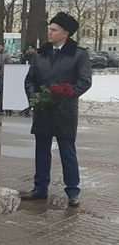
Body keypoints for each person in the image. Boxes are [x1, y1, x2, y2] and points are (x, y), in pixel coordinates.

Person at [22, 13, 92, 207]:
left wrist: (66, 92)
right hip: (43, 110)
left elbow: (84, 81)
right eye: (49, 29)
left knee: (67, 151)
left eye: (54, 30)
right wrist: (34, 97)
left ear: (66, 33)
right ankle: (40, 188)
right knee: (42, 150)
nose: (49, 32)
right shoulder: (41, 53)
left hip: (65, 111)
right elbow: (30, 79)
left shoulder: (79, 54)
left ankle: (72, 190)